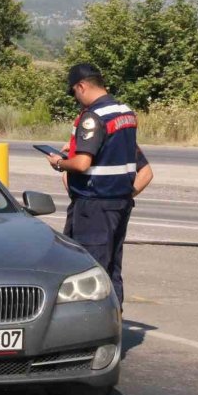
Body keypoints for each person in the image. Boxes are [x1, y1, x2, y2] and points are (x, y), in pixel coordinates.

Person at [47, 63, 139, 308]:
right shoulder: (125, 113)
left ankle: (92, 326)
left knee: (89, 269)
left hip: (94, 205)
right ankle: (114, 320)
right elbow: (138, 166)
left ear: (82, 86)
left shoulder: (94, 116)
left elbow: (81, 163)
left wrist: (59, 163)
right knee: (112, 268)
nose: (77, 99)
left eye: (75, 93)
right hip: (119, 203)